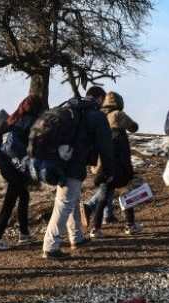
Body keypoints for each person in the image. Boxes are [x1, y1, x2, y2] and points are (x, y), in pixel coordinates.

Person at [42, 86, 114, 259]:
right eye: (102, 100)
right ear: (99, 98)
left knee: (72, 200)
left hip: (60, 161)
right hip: (73, 165)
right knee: (65, 203)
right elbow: (106, 146)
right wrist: (109, 169)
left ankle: (76, 237)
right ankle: (50, 246)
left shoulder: (73, 109)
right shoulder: (96, 116)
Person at [0, 95, 48, 250]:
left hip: (4, 163)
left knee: (23, 195)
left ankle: (24, 234)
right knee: (11, 200)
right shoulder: (33, 121)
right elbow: (35, 146)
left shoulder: (11, 119)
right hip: (18, 165)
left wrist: (7, 155)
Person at [83, 92, 142, 238]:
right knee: (126, 192)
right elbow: (134, 127)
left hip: (101, 164)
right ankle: (130, 225)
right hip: (117, 162)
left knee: (103, 196)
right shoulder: (118, 114)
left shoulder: (98, 115)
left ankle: (96, 229)